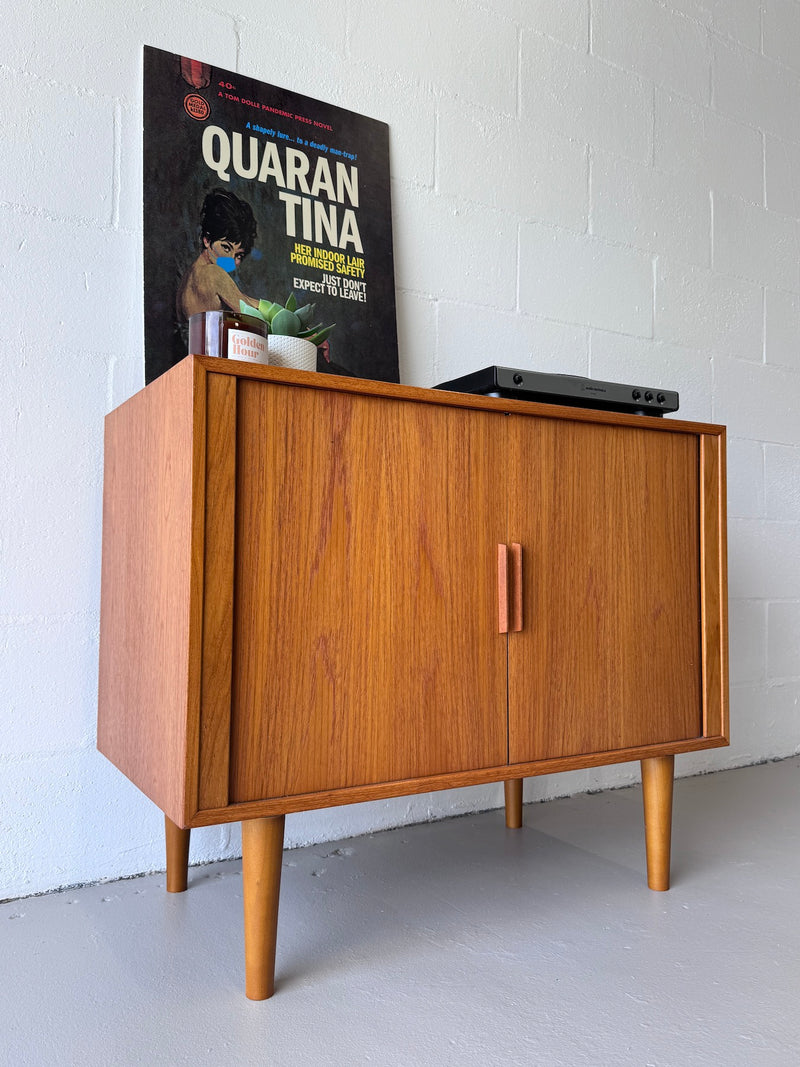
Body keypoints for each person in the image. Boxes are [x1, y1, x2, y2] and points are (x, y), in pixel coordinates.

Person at [177, 189, 261, 320]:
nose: (231, 260)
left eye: (238, 255)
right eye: (226, 248)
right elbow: (254, 316)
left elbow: (243, 299)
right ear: (207, 239)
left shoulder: (191, 275)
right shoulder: (213, 273)